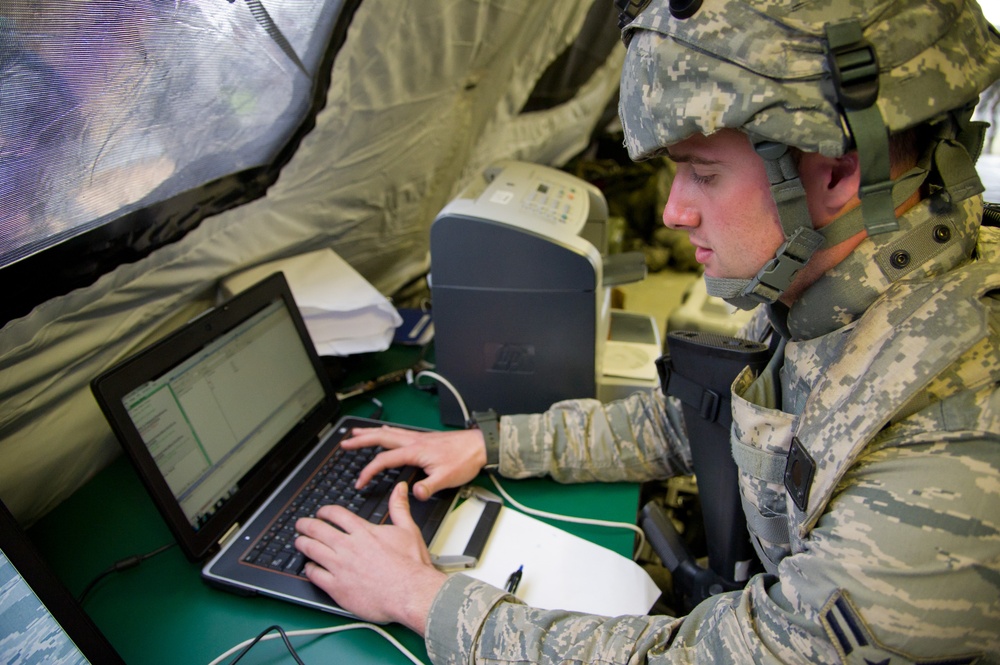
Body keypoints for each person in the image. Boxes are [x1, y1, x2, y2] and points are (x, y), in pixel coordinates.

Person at [295, 0, 1000, 662]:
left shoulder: (946, 434)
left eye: (703, 174)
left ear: (839, 172)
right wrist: (492, 442)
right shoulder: (835, 299)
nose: (673, 212)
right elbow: (695, 418)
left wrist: (425, 598)